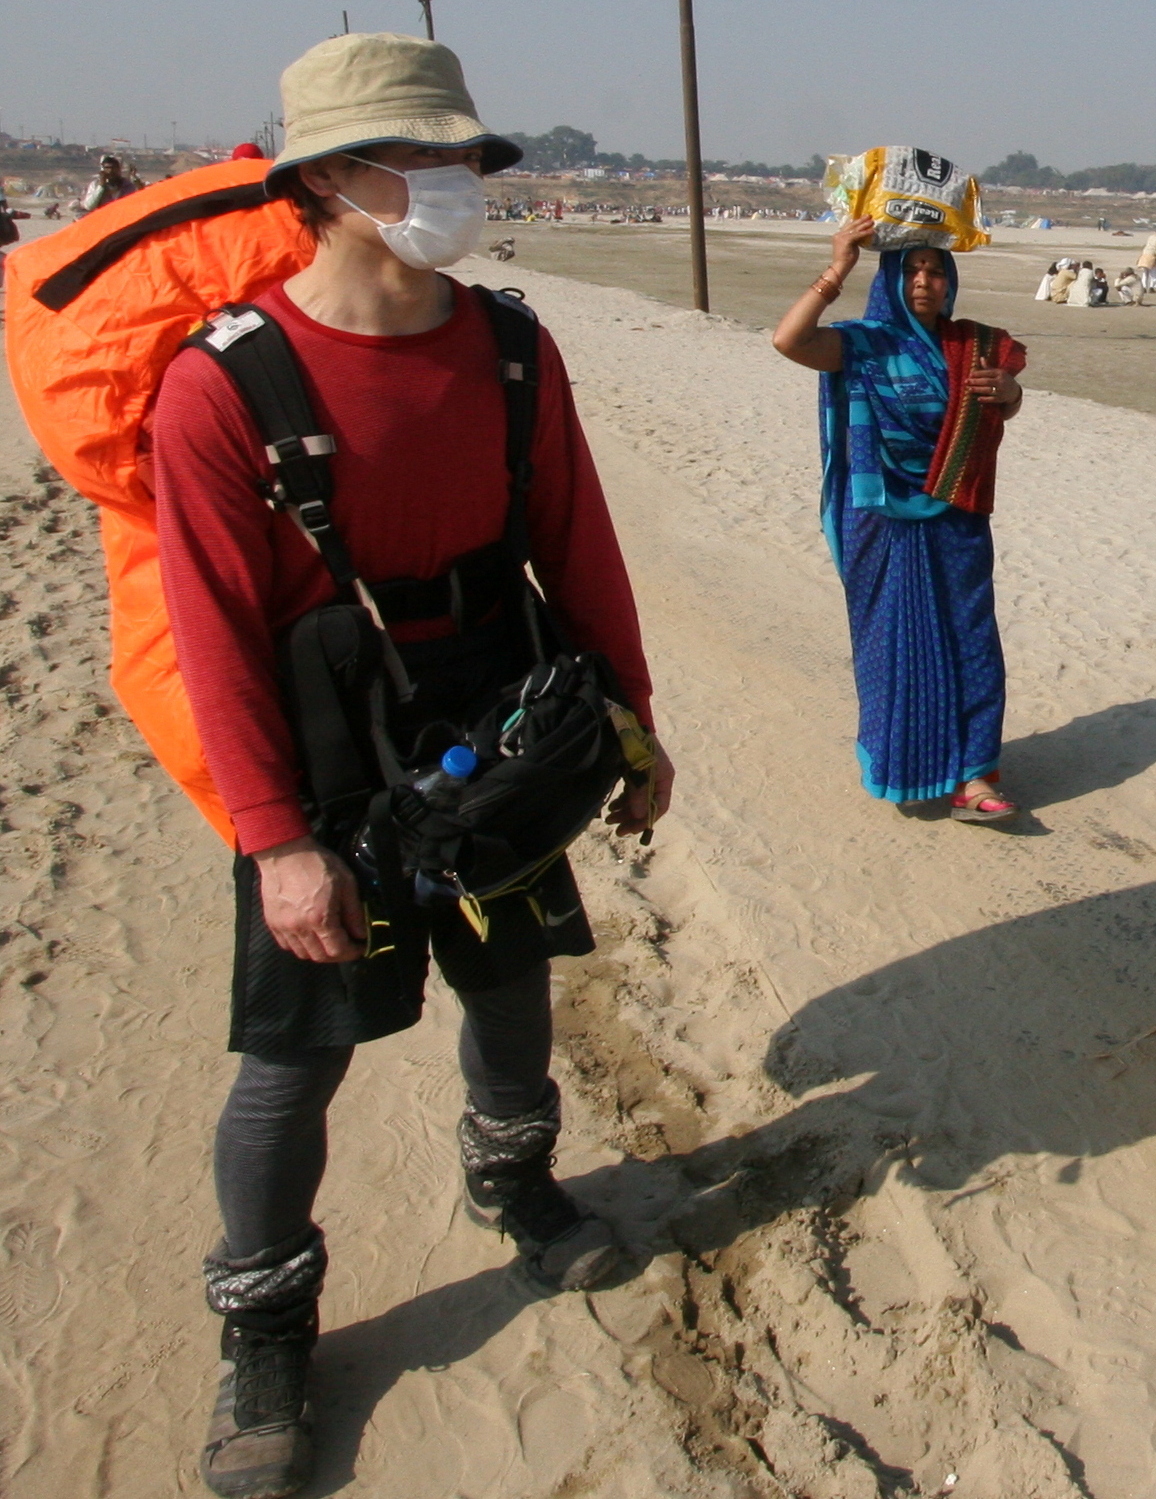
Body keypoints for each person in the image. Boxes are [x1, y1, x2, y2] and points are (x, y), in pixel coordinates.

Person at [151, 32, 673, 1498]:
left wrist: (628, 719)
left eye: (465, 157)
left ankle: (514, 1175)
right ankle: (264, 1322)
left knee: (512, 983)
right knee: (291, 1057)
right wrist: (275, 839)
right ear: (328, 180)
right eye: (423, 158)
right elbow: (213, 638)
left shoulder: (512, 345)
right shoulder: (220, 391)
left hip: (497, 712)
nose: (455, 183)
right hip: (322, 749)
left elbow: (576, 538)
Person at [772, 217, 1027, 821]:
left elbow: (1007, 401)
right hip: (881, 520)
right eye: (912, 270)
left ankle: (976, 776)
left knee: (972, 640)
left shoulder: (972, 345)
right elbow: (788, 340)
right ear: (891, 278)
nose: (925, 281)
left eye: (936, 272)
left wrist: (1009, 394)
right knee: (892, 642)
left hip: (957, 511)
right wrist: (839, 265)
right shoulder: (863, 342)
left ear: (951, 283)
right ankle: (903, 764)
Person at [1137, 224, 1156, 293]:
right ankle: (1151, 287)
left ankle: (1143, 287)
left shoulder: (1151, 237)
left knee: (1145, 273)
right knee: (1154, 273)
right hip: (1152, 256)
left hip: (1144, 255)